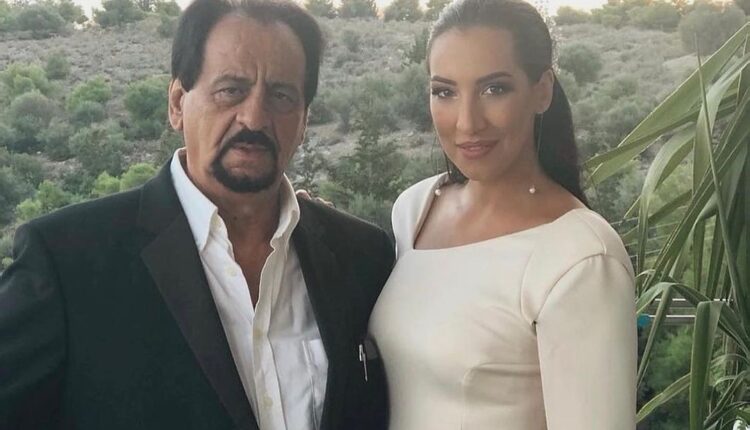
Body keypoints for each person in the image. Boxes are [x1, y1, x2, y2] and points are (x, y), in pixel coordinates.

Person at [0, 0, 393, 429]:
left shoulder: (361, 257)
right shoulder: (66, 262)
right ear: (176, 104)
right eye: (231, 90)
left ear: (304, 121)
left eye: (281, 96)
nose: (254, 117)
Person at [368, 0, 637, 428]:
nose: (467, 122)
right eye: (445, 92)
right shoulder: (415, 209)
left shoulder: (581, 258)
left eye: (494, 89)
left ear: (542, 90)